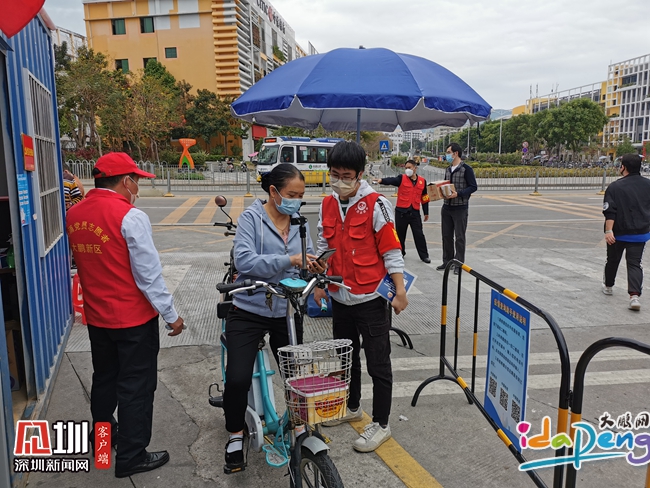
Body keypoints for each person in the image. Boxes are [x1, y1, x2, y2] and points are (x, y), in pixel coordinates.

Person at [66, 152, 185, 478]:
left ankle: (103, 442)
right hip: (133, 320)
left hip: (97, 318)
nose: (138, 188)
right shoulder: (130, 216)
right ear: (126, 181)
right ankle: (132, 456)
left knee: (104, 379)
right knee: (136, 387)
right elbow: (149, 276)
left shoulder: (74, 214)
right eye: (137, 181)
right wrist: (171, 315)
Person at [222, 164, 324, 473]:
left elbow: (303, 260)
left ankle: (299, 426)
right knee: (237, 378)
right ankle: (235, 435)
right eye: (292, 194)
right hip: (248, 309)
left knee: (296, 376)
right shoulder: (251, 218)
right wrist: (289, 259)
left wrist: (313, 268)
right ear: (273, 192)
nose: (296, 201)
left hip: (286, 310)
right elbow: (245, 261)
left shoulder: (299, 222)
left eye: (301, 195)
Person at [314, 141, 407, 453]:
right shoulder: (327, 204)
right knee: (346, 358)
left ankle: (381, 423)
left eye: (347, 176)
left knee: (378, 363)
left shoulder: (377, 204)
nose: (340, 181)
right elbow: (322, 247)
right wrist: (319, 283)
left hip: (370, 299)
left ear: (360, 175)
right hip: (340, 297)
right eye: (334, 174)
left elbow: (392, 251)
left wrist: (400, 291)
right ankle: (352, 406)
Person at [602, 153, 650, 311]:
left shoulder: (615, 187)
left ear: (623, 167)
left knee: (612, 260)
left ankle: (608, 286)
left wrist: (609, 230)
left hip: (618, 233)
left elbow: (610, 211)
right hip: (640, 233)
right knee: (635, 263)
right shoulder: (648, 185)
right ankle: (634, 297)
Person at [373, 159, 430, 263]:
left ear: (415, 168)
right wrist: (382, 180)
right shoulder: (401, 178)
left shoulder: (422, 181)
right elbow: (392, 180)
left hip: (415, 212)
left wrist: (426, 212)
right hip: (401, 212)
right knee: (400, 235)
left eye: (409, 168)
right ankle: (400, 253)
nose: (407, 170)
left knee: (419, 234)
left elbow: (424, 197)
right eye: (406, 168)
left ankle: (424, 256)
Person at [436, 143, 478, 275]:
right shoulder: (448, 169)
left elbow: (473, 187)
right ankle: (447, 261)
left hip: (460, 208)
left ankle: (458, 264)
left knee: (459, 237)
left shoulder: (466, 169)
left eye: (449, 152)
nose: (447, 155)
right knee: (446, 236)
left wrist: (459, 194)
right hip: (446, 207)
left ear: (456, 153)